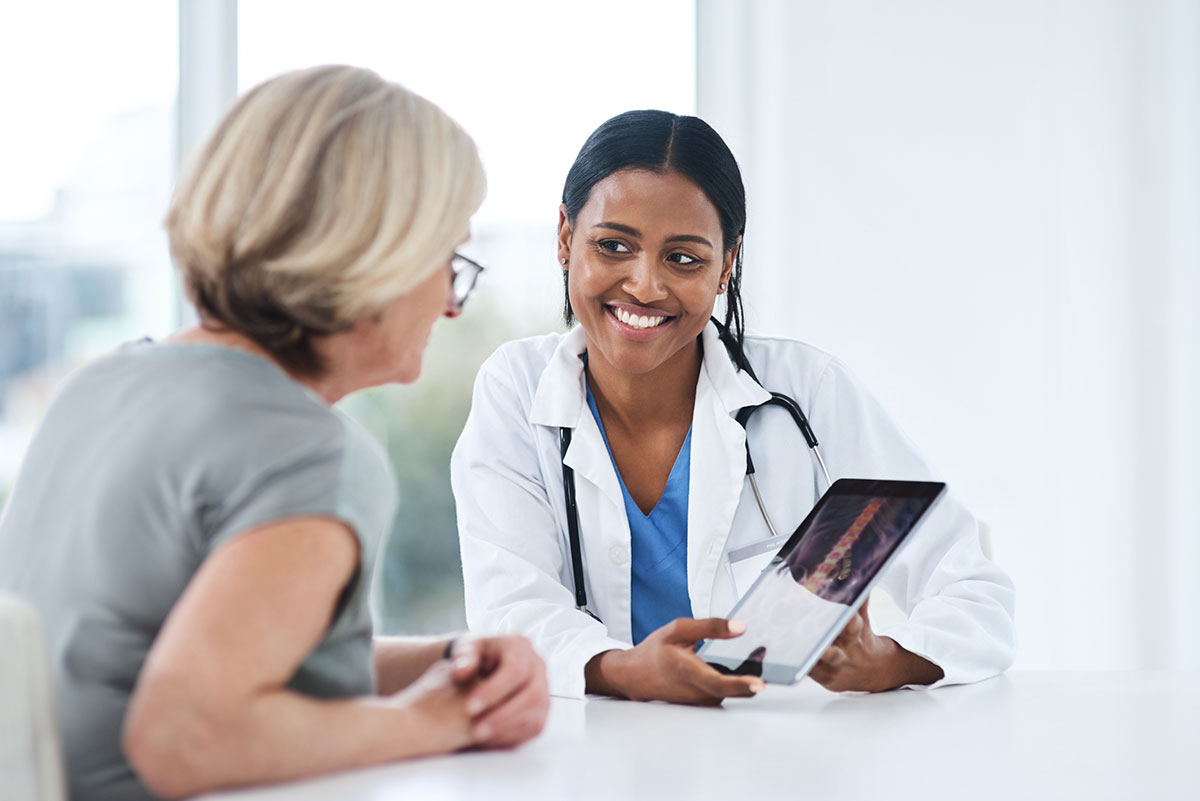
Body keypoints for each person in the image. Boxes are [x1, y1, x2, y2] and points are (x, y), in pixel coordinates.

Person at [0, 66, 548, 801]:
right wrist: (441, 720)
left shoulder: (102, 384)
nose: (452, 303)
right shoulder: (308, 451)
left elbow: (225, 656)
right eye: (449, 259)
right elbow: (184, 732)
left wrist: (446, 660)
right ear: (374, 256)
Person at [450, 109, 1016, 704]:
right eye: (613, 246)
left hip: (772, 762)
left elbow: (974, 593)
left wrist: (888, 660)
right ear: (565, 237)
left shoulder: (808, 392)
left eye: (684, 258)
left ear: (727, 263)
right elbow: (510, 608)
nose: (645, 286)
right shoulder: (515, 390)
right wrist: (621, 670)